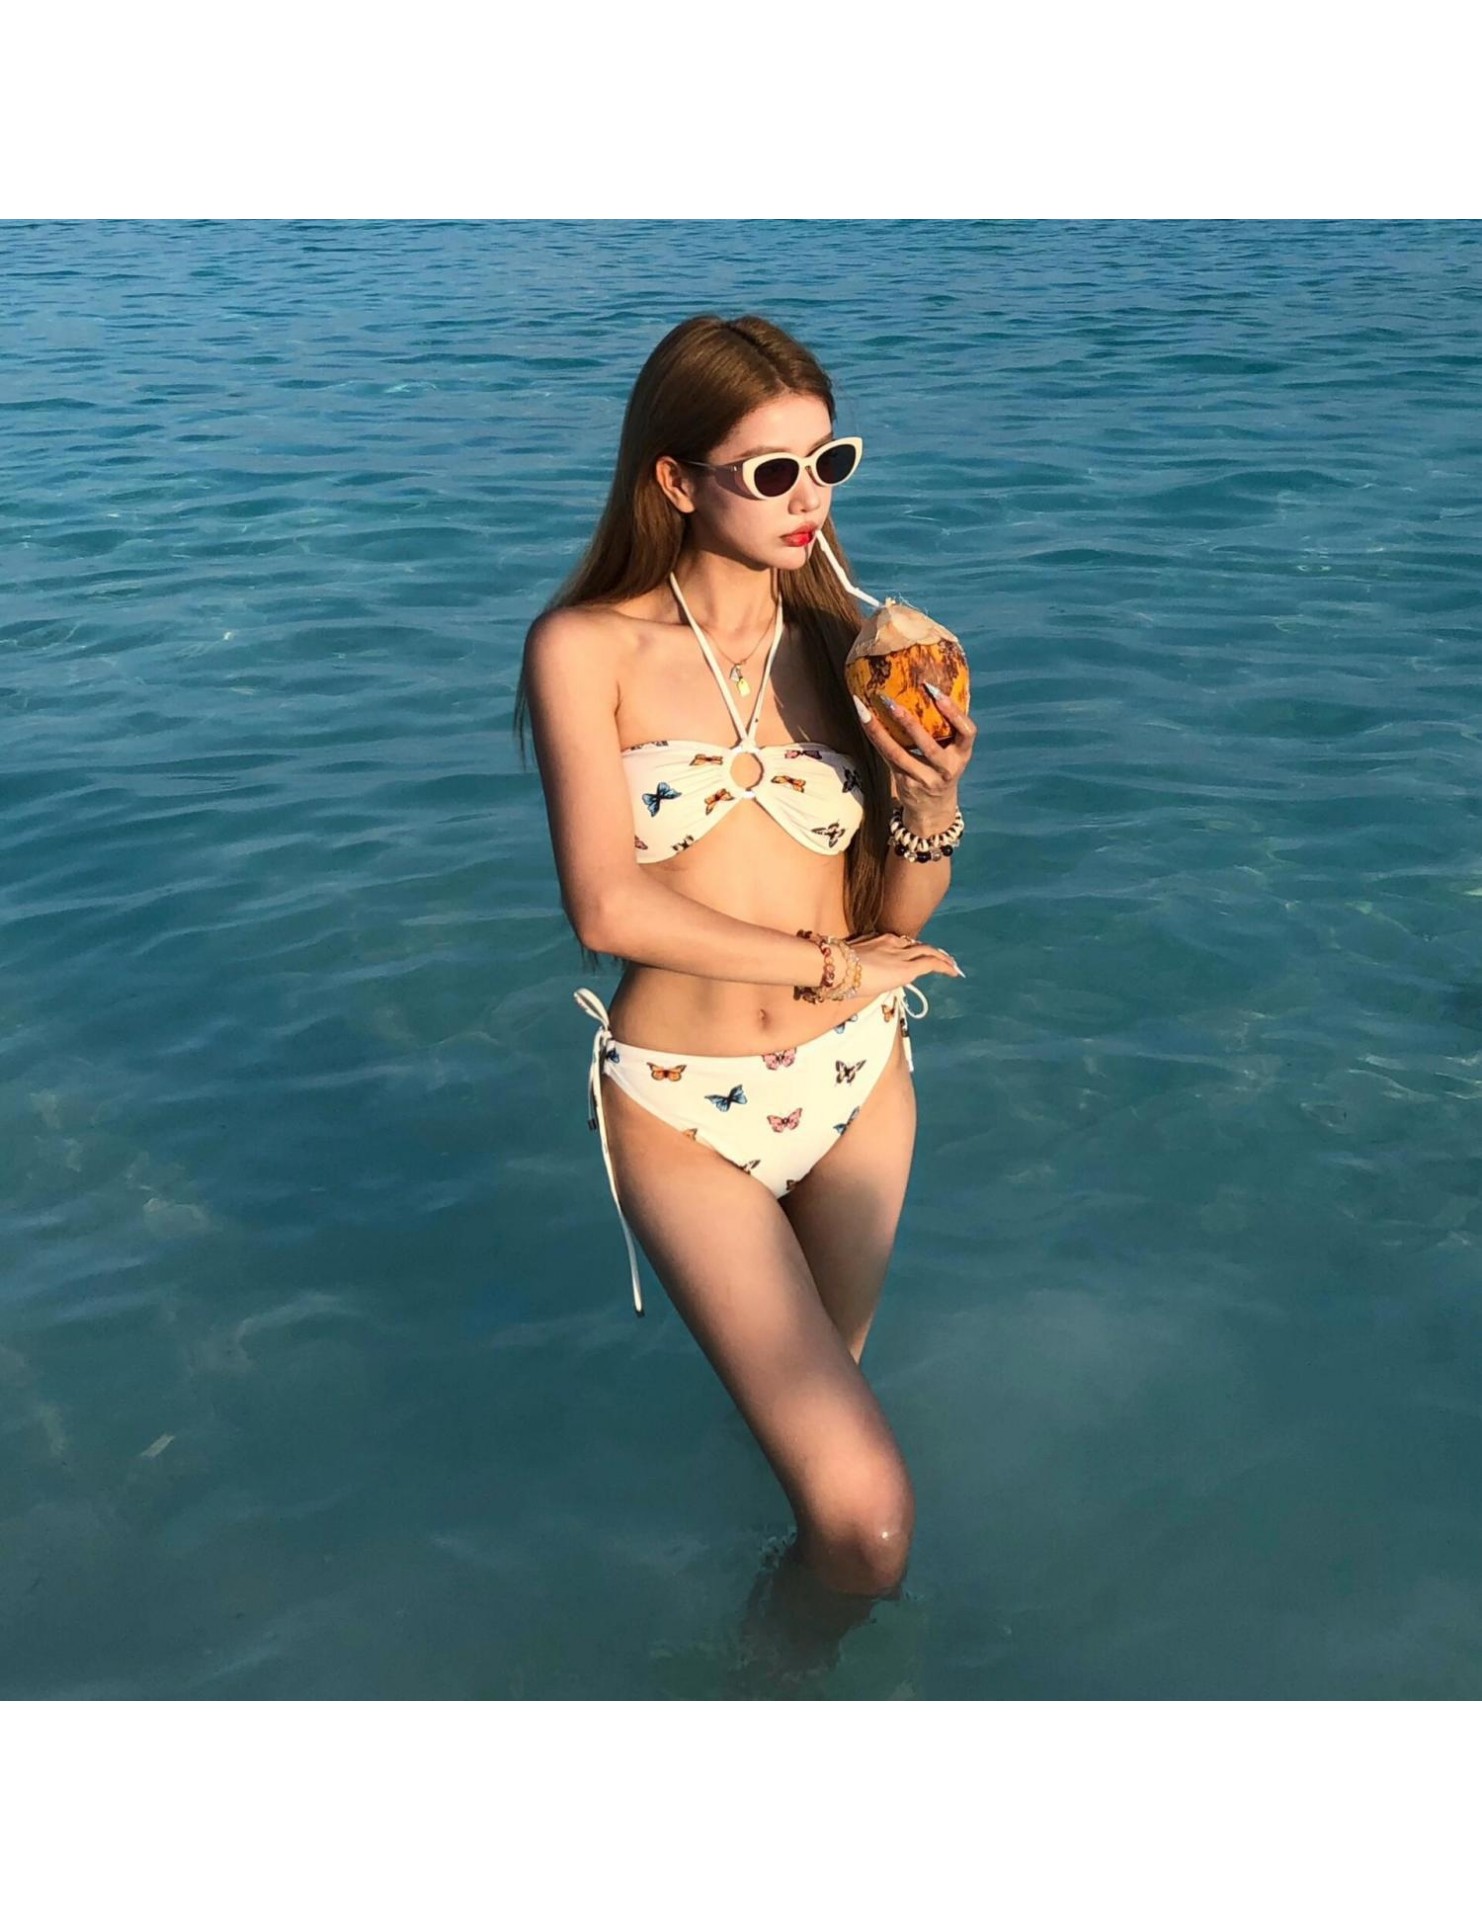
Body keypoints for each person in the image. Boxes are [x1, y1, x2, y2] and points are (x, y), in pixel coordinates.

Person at [514, 313, 975, 1602]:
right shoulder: (587, 648)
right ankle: (769, 1675)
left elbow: (895, 913)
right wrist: (828, 968)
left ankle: (781, 1651)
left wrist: (934, 798)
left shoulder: (853, 649)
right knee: (868, 1518)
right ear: (676, 480)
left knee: (821, 1442)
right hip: (683, 1111)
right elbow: (607, 908)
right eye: (771, 471)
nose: (808, 498)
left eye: (829, 462)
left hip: (858, 1089)